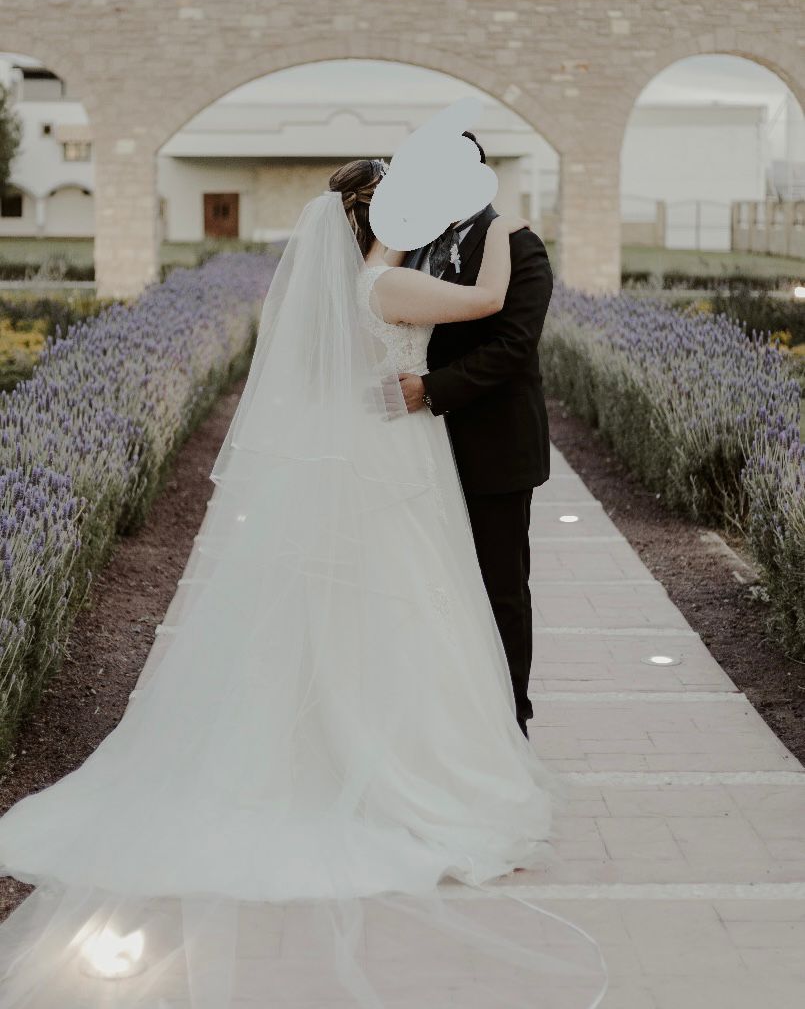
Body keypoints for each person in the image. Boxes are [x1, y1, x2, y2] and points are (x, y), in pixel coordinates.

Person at [0, 158, 605, 1009]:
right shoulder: (388, 285)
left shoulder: (362, 284)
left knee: (376, 606)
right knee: (414, 605)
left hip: (381, 448)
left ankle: (356, 732)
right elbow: (483, 305)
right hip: (399, 457)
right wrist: (506, 232)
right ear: (381, 216)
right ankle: (401, 755)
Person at [398, 131, 554, 738]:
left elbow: (515, 347)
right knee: (435, 585)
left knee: (500, 587)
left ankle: (511, 717)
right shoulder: (419, 245)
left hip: (494, 447)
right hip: (420, 449)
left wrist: (432, 390)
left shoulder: (518, 243)